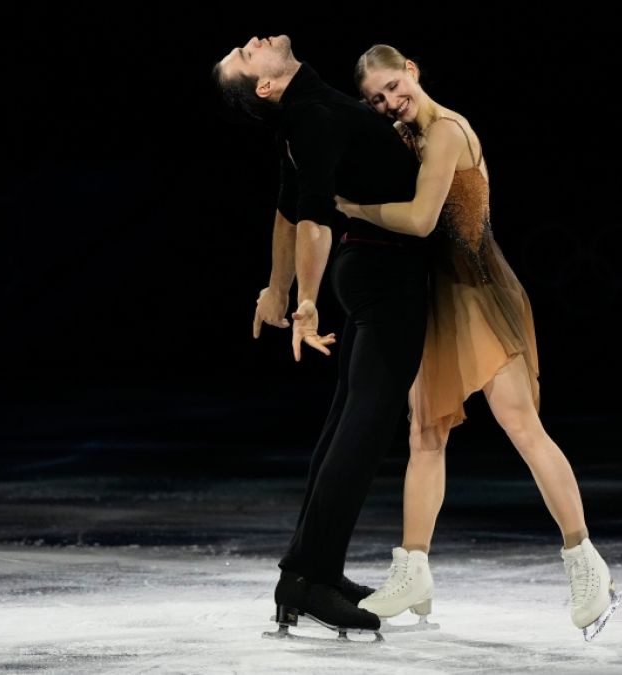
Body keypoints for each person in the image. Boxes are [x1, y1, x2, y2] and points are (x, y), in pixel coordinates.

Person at [335, 44, 622, 641]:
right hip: (437, 300)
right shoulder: (407, 137)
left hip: (479, 293)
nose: (390, 101)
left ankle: (586, 562)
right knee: (424, 435)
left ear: (412, 70)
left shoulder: (446, 131)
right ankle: (414, 569)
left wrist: (353, 208)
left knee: (521, 426)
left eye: (393, 86)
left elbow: (421, 220)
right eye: (376, 99)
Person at [212, 35, 429, 639]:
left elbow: (286, 210)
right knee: (361, 432)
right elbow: (309, 217)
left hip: (373, 271)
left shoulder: (308, 112)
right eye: (245, 54)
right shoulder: (308, 114)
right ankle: (309, 578)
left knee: (344, 424)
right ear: (264, 85)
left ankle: (309, 574)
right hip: (385, 275)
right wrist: (304, 301)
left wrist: (277, 289)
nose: (252, 41)